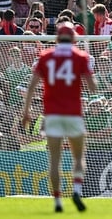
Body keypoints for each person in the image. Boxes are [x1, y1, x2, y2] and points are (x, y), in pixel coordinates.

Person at [22, 22, 97, 213]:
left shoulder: (46, 56)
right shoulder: (80, 56)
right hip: (73, 114)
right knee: (78, 157)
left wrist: (26, 111)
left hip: (52, 114)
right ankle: (77, 191)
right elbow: (92, 87)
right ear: (73, 38)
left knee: (54, 160)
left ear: (56, 38)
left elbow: (31, 86)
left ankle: (57, 201)